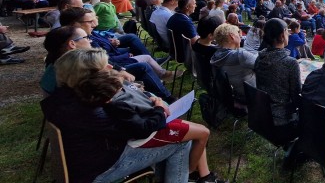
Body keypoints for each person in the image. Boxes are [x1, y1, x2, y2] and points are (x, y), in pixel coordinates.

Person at [40, 49, 192, 183]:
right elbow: (140, 131)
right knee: (181, 141)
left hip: (82, 161)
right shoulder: (91, 108)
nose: (111, 67)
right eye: (104, 66)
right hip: (98, 171)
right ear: (87, 75)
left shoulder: (64, 97)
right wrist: (158, 110)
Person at [75, 68, 225, 183]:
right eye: (119, 90)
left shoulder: (107, 100)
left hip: (148, 125)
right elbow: (143, 128)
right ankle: (191, 174)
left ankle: (198, 175)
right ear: (108, 98)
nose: (122, 90)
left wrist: (151, 100)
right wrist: (159, 109)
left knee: (192, 133)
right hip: (145, 135)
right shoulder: (117, 106)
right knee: (188, 139)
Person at [254, 18, 301, 142]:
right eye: (287, 32)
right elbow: (297, 98)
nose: (289, 35)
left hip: (262, 116)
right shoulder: (290, 63)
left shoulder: (260, 58)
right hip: (283, 123)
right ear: (281, 36)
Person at [210, 24, 257, 104]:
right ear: (232, 36)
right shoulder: (240, 55)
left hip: (236, 95)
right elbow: (263, 63)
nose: (240, 37)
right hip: (253, 95)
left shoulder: (216, 56)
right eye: (238, 34)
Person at [40, 25, 91, 93]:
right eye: (86, 37)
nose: (90, 40)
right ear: (72, 44)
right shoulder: (76, 72)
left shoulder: (54, 67)